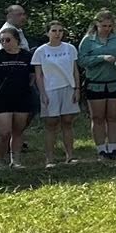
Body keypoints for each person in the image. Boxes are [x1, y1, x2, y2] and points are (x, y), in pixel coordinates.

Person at [78, 9, 116, 160]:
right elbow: (82, 61)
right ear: (96, 24)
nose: (107, 29)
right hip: (95, 83)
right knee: (98, 117)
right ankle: (101, 150)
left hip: (114, 83)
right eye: (104, 26)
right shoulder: (88, 40)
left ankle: (113, 149)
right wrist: (101, 58)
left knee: (113, 117)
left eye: (109, 26)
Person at [31, 20, 81, 167]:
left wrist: (77, 89)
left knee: (67, 121)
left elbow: (75, 70)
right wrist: (42, 93)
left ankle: (70, 156)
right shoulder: (40, 51)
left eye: (60, 31)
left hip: (68, 87)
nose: (57, 34)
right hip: (50, 89)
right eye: (54, 31)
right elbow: (39, 75)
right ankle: (50, 158)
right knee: (51, 123)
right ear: (48, 33)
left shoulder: (70, 48)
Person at [0, 28, 36, 168]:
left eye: (7, 40)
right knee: (4, 133)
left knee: (18, 131)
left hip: (22, 98)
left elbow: (32, 76)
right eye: (1, 40)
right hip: (2, 99)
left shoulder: (27, 56)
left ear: (17, 40)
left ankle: (16, 160)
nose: (4, 43)